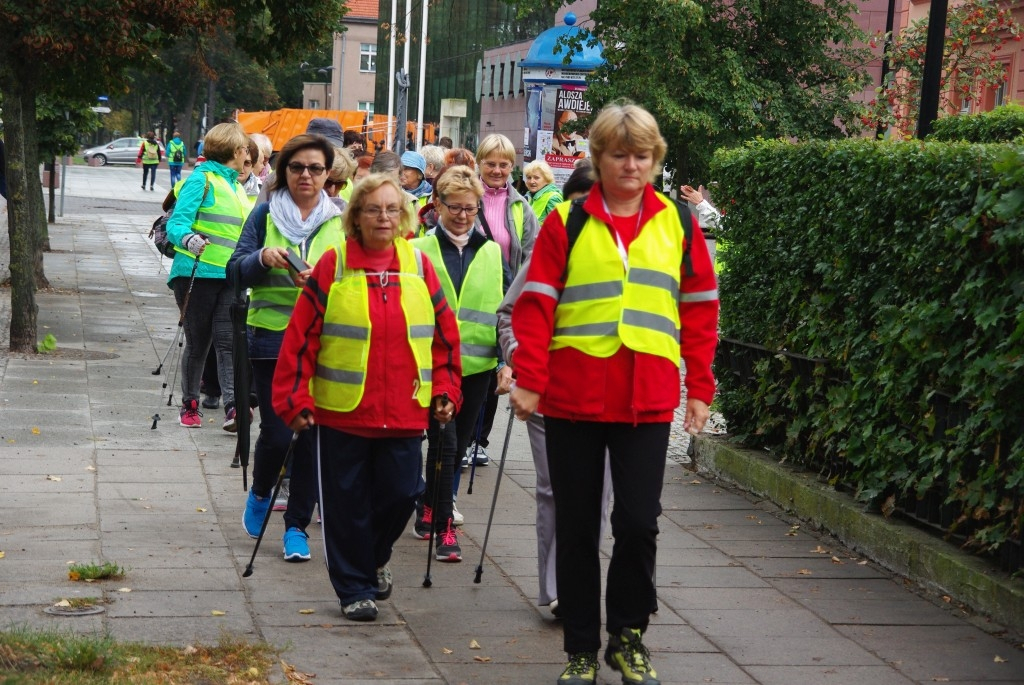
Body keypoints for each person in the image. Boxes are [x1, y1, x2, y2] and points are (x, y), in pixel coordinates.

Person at [509, 102, 719, 685]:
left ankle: (628, 636)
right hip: (573, 397)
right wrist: (529, 378)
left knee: (638, 523)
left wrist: (699, 387)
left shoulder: (677, 222)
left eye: (643, 155)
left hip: (646, 399)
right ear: (598, 158)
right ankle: (580, 647)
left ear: (656, 162)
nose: (631, 164)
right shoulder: (566, 222)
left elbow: (700, 309)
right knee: (577, 527)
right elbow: (536, 305)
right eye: (620, 154)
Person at [272, 173, 462, 622]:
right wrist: (293, 401)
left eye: (392, 209)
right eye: (373, 209)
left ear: (404, 216)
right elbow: (300, 340)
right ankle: (353, 587)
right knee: (345, 504)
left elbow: (445, 338)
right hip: (341, 413)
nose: (383, 217)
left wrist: (446, 389)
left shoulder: (418, 266)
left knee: (401, 493)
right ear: (355, 215)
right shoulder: (333, 265)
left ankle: (374, 558)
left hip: (404, 410)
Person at [496, 162, 611, 619]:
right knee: (557, 489)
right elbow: (509, 314)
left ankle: (583, 578)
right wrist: (521, 358)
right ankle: (562, 589)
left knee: (599, 493)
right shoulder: (549, 247)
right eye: (582, 205)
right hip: (547, 392)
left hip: (606, 396)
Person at [229, 133, 343, 561]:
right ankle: (261, 491)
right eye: (297, 168)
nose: (306, 176)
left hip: (327, 341)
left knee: (313, 436)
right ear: (284, 172)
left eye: (315, 168)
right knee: (279, 434)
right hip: (272, 337)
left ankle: (297, 527)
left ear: (328, 174)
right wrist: (263, 259)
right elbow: (234, 270)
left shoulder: (342, 218)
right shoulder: (263, 216)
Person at [409, 165, 513, 558]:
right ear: (437, 205)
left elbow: (506, 309)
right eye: (455, 208)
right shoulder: (418, 251)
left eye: (471, 209)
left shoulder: (490, 252)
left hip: (477, 367)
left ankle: (433, 505)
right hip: (431, 366)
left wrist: (508, 359)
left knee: (457, 444)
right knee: (443, 442)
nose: (463, 216)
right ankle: (443, 525)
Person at [164, 122, 253, 430]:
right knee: (199, 343)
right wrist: (190, 240)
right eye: (244, 149)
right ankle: (189, 405)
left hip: (230, 276)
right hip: (196, 274)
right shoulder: (201, 180)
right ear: (236, 151)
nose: (247, 155)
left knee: (228, 343)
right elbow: (176, 225)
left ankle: (233, 408)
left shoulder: (236, 186)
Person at [469, 133, 539, 467]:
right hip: (466, 294)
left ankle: (479, 440)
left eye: (504, 164)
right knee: (467, 366)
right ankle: (462, 433)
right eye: (491, 163)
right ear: (479, 163)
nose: (497, 170)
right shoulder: (467, 198)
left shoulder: (520, 206)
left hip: (502, 297)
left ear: (513, 166)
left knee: (496, 368)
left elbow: (530, 255)